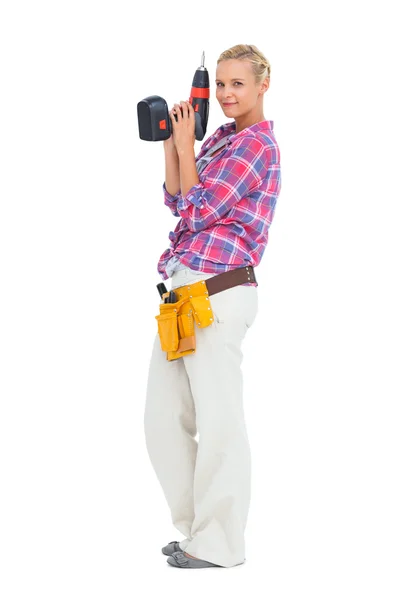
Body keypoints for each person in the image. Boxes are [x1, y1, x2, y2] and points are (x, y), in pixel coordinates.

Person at [144, 44, 281, 569]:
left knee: (220, 423)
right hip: (183, 293)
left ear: (263, 85)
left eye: (237, 85)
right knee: (161, 419)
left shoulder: (256, 146)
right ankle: (200, 533)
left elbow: (199, 209)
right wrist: (171, 145)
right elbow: (177, 199)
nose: (224, 95)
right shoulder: (222, 137)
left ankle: (221, 546)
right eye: (219, 84)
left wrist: (185, 145)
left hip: (218, 293)